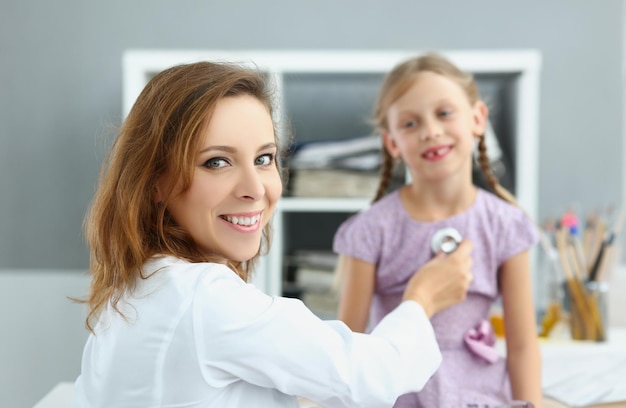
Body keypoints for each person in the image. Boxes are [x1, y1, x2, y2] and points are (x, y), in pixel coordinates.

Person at [72, 60, 475, 408]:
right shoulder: (206, 299)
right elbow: (371, 376)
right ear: (156, 181)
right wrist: (422, 299)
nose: (256, 187)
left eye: (264, 158)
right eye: (217, 162)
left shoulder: (132, 290)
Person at [333, 53, 542, 408]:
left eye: (444, 113)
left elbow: (522, 346)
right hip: (398, 394)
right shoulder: (371, 230)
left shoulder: (506, 225)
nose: (430, 131)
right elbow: (349, 346)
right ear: (392, 143)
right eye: (410, 124)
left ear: (477, 119)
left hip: (479, 394)